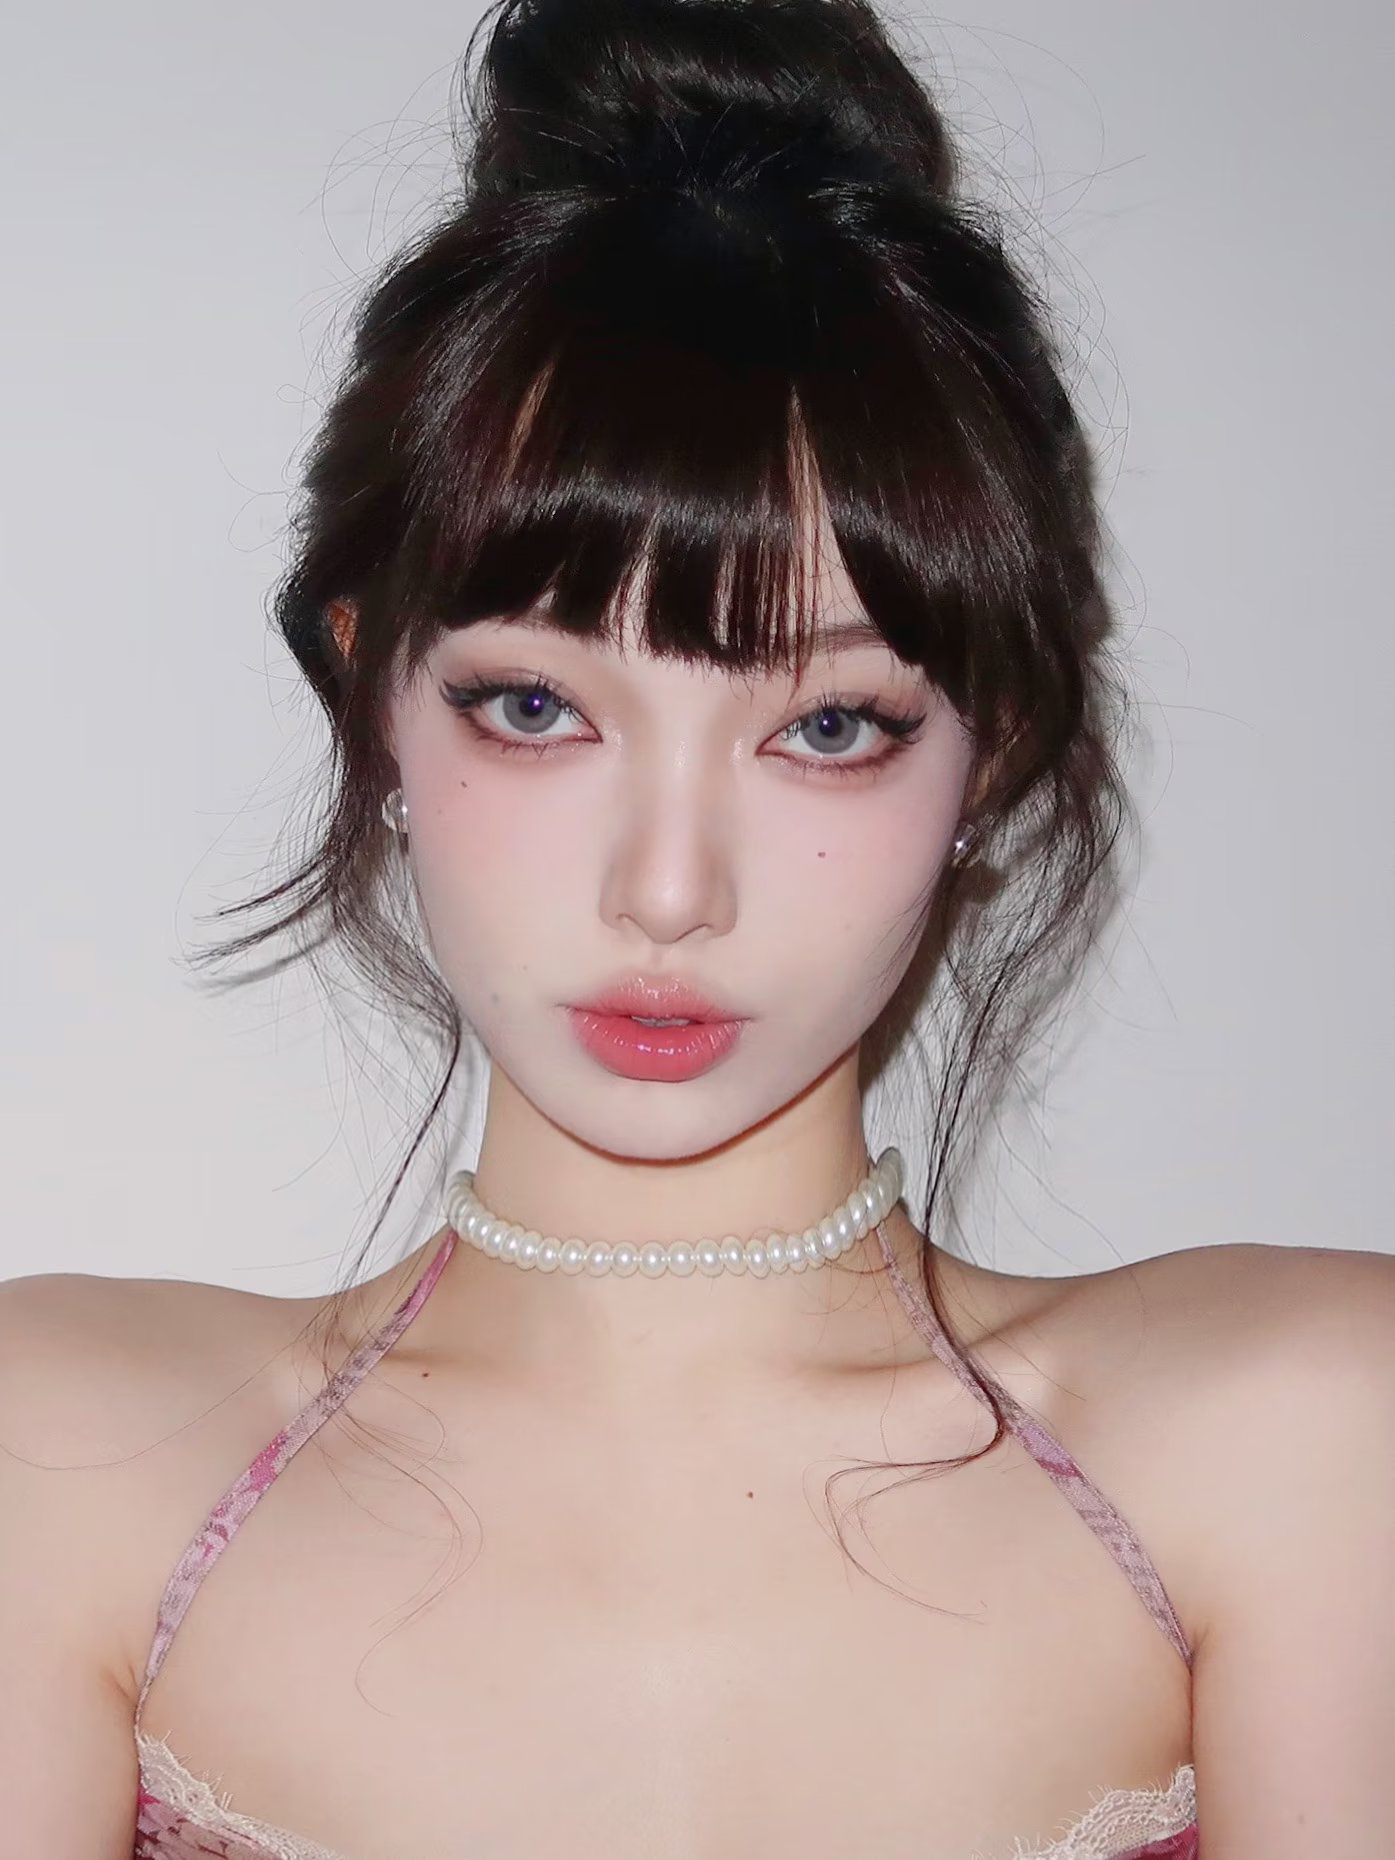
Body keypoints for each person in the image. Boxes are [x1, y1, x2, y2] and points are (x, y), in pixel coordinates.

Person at [3, 0, 1391, 1854]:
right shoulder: (64, 1458)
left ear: (988, 753)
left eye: (830, 727)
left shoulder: (1299, 1430)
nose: (669, 890)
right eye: (535, 706)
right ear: (372, 692)